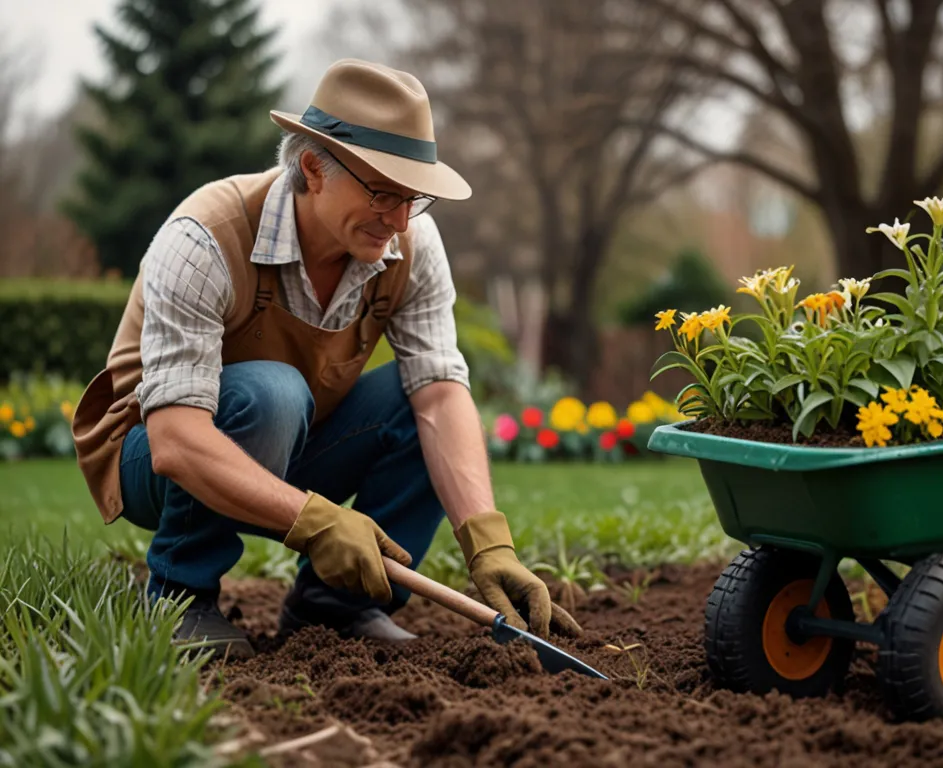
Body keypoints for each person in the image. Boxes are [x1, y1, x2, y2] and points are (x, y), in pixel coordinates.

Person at [71, 58, 582, 658]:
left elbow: (441, 394)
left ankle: (335, 606)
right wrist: (317, 523)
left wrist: (489, 544)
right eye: (383, 193)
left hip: (289, 443)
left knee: (419, 401)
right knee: (271, 393)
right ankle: (180, 596)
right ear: (313, 168)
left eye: (411, 198)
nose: (397, 220)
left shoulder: (409, 245)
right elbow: (176, 440)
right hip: (149, 455)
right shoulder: (205, 235)